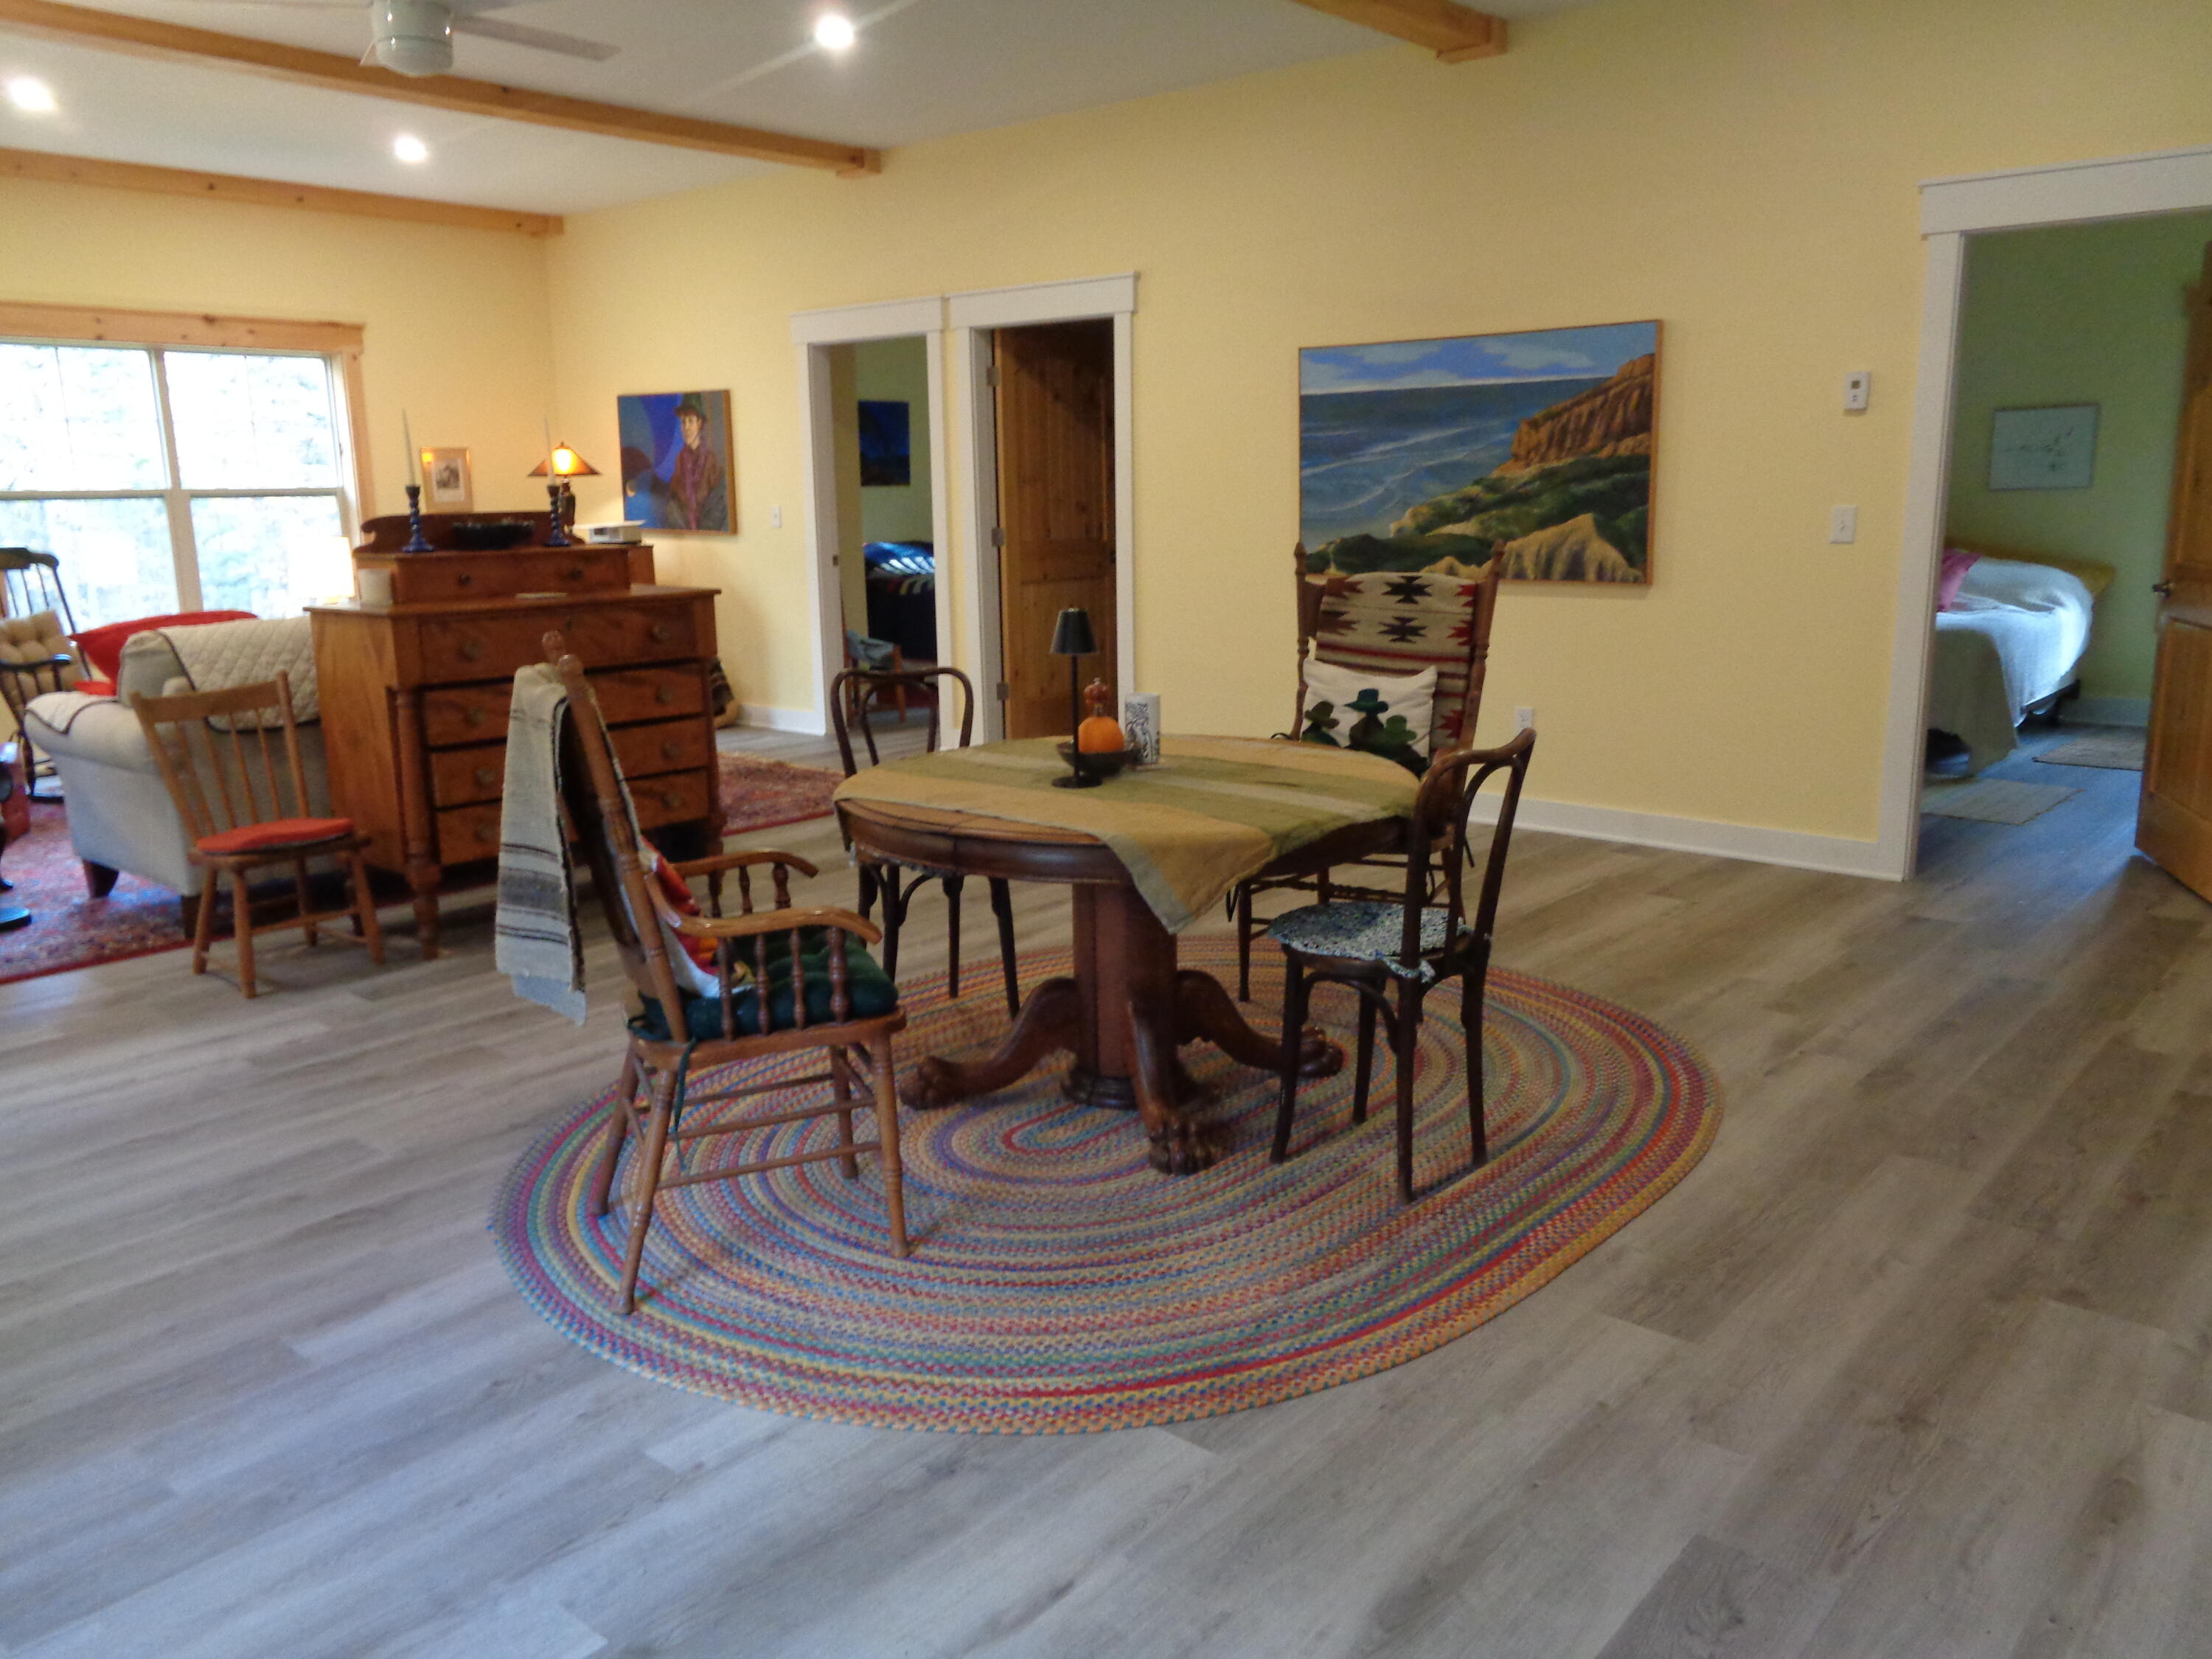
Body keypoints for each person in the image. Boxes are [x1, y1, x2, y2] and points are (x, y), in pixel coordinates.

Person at [664, 394, 728, 531]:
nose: (686, 428)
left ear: (699, 424)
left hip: (709, 534)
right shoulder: (680, 460)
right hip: (684, 535)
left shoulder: (711, 460)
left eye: (691, 421)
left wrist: (704, 532)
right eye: (683, 421)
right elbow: (673, 503)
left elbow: (719, 503)